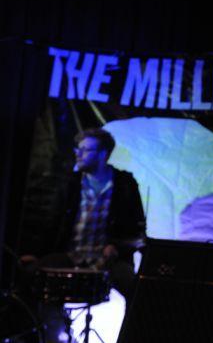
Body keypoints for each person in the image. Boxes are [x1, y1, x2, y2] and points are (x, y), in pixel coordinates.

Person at [20, 128, 145, 302]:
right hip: (71, 255)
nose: (78, 154)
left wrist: (116, 246)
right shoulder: (70, 183)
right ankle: (50, 327)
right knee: (28, 277)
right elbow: (51, 222)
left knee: (136, 290)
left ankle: (134, 329)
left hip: (109, 260)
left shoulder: (125, 184)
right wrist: (36, 253)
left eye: (85, 150)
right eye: (78, 149)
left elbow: (137, 230)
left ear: (103, 154)